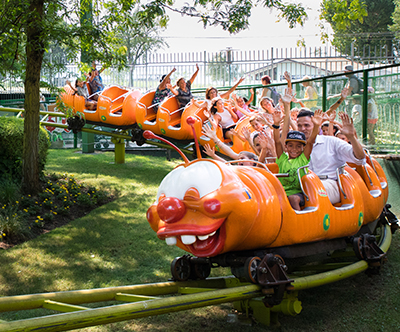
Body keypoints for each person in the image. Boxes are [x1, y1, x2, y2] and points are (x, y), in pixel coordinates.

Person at [296, 109, 366, 205]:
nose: (303, 129)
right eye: (299, 126)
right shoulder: (294, 147)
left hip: (329, 184)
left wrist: (351, 137)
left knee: (311, 189)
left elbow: (360, 159)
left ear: (316, 125)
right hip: (302, 184)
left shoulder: (331, 142)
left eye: (306, 125)